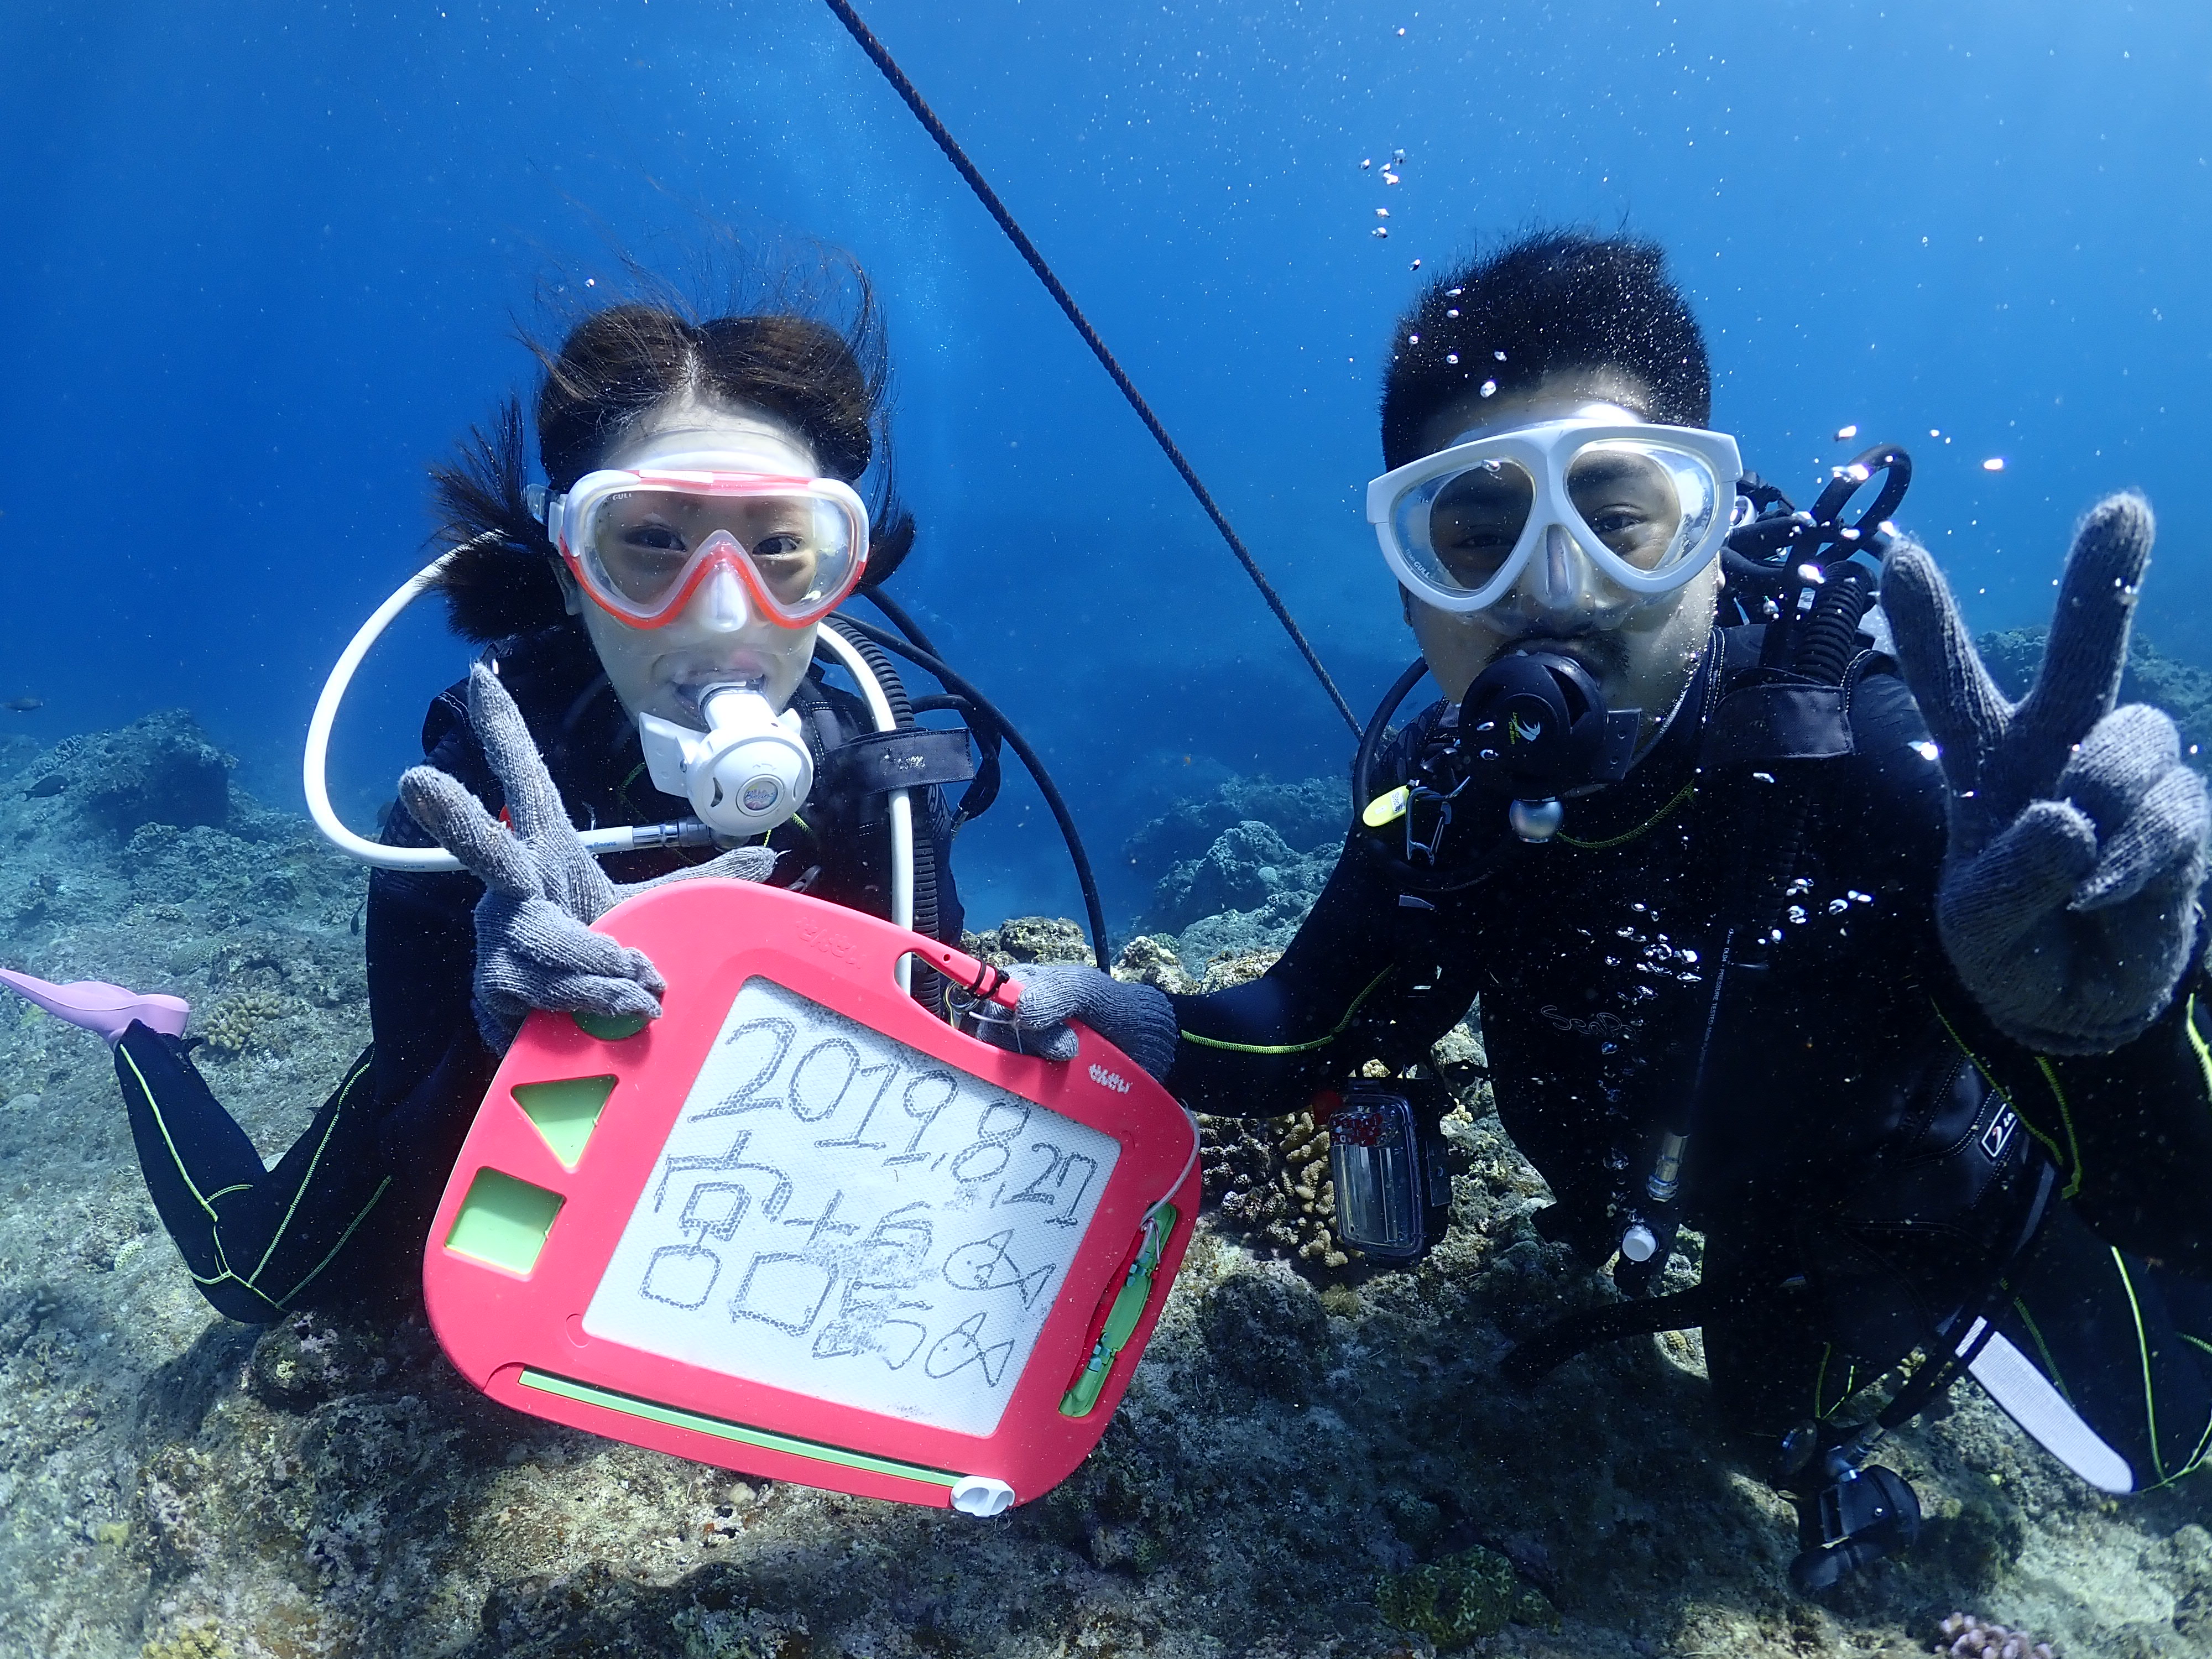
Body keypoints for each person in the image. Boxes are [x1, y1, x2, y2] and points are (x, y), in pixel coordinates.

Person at [984, 230, 2212, 1587]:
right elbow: (1304, 1025)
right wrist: (1138, 1024)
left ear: (1711, 531)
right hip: (1673, 1202)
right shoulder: (1440, 800)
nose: (1553, 590)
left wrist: (2112, 1027)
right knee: (1756, 1432)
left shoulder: (1874, 768)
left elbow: (2182, 1207)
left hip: (1881, 1211)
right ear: (1410, 587)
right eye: (1474, 535)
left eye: (1616, 517)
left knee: (2151, 1442)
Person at [3, 271, 971, 1324]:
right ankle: (142, 1034)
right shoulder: (475, 784)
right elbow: (418, 1138)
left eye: (781, 546)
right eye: (652, 541)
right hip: (482, 1112)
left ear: (839, 567)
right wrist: (499, 1034)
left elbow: (919, 1070)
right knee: (254, 1281)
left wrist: (1056, 1066)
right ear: (569, 566)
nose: (725, 611)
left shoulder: (875, 781)